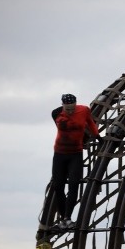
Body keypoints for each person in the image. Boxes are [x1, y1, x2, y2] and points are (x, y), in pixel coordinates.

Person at [51, 94, 99, 231]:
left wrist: (97, 137)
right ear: (63, 105)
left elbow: (90, 123)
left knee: (74, 185)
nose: (70, 111)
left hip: (75, 154)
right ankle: (62, 219)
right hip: (59, 154)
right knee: (58, 186)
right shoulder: (56, 113)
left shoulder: (84, 110)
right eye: (68, 109)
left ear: (76, 104)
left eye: (72, 109)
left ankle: (68, 218)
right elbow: (63, 127)